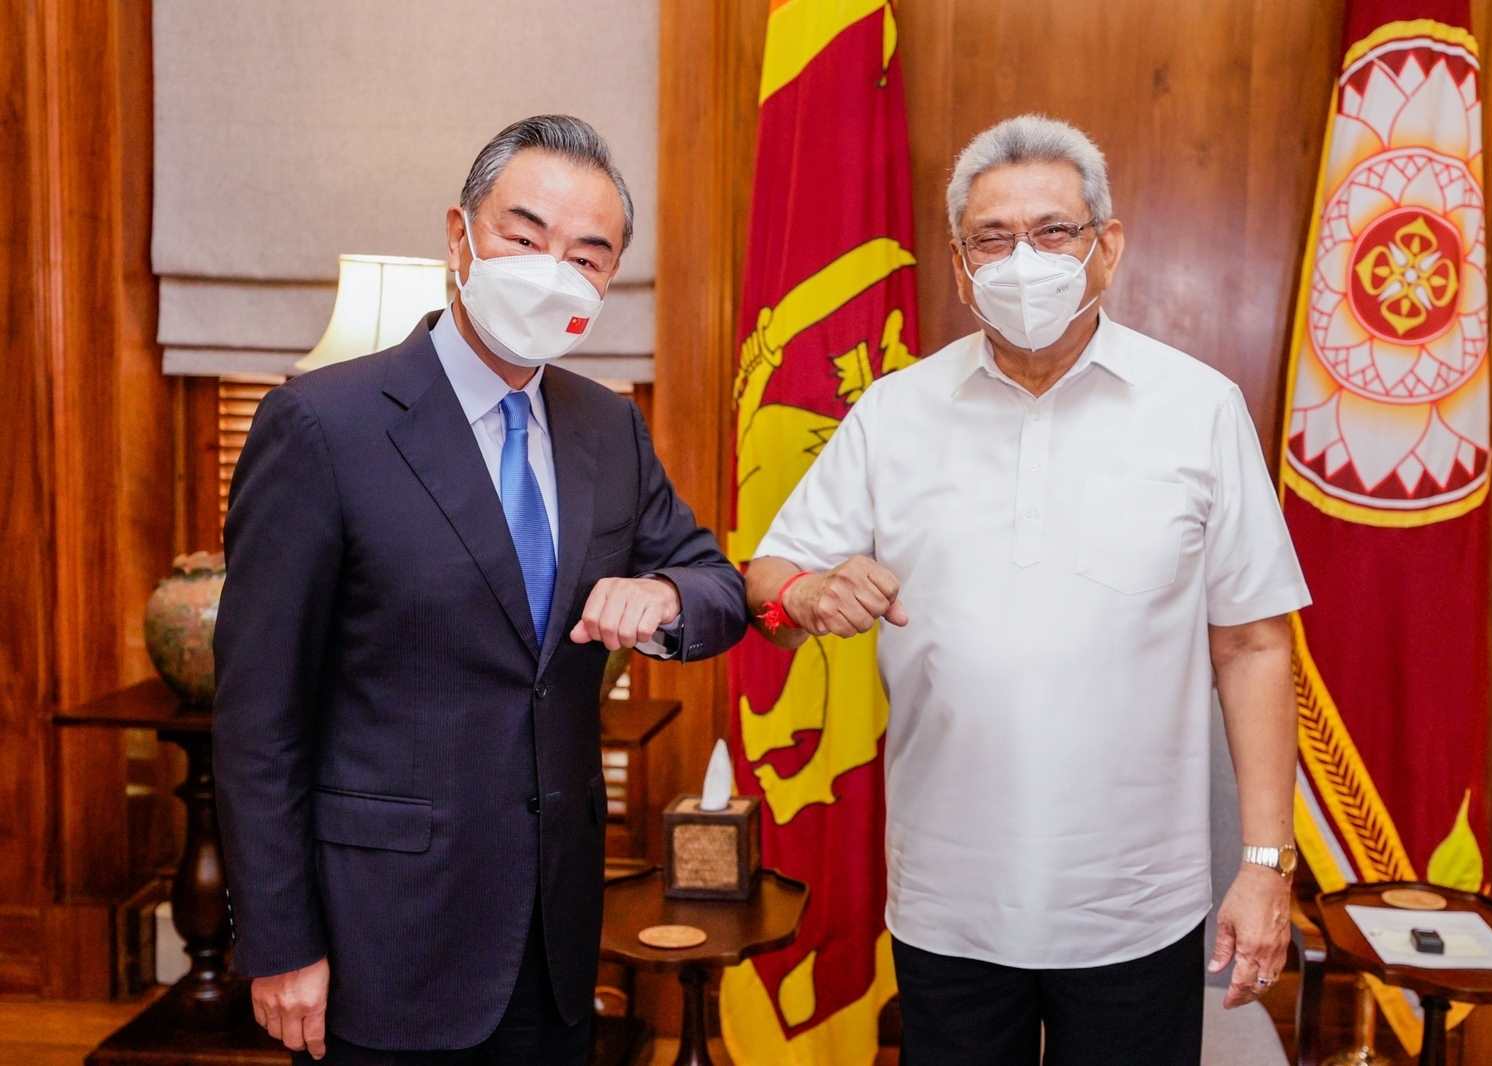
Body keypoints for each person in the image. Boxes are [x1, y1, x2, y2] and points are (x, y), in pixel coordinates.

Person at [745, 114, 1311, 1066]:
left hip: (1137, 903)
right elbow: (770, 571)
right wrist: (808, 594)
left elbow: (1254, 645)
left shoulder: (1198, 407)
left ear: (1107, 247)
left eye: (1053, 232)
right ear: (961, 268)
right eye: (992, 239)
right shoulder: (894, 412)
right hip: (949, 904)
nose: (1023, 261)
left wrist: (1265, 865)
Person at [214, 114, 747, 1064]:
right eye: (525, 236)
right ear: (459, 236)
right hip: (385, 933)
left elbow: (717, 583)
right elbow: (259, 716)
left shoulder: (606, 428)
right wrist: (280, 940)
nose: (554, 271)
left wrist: (665, 598)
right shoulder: (320, 425)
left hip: (556, 934)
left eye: (588, 255)